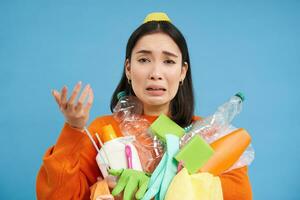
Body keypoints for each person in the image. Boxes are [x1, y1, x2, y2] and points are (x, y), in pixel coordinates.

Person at [36, 12, 253, 200]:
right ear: (128, 69)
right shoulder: (102, 132)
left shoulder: (208, 135)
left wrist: (159, 184)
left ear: (182, 72)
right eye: (144, 60)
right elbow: (58, 196)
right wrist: (74, 129)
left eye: (168, 61)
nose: (155, 74)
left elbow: (239, 195)